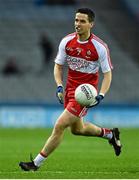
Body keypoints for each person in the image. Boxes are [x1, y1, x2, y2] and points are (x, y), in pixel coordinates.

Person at [19, 8, 122, 171]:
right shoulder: (67, 41)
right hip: (69, 90)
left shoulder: (99, 47)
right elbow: (58, 66)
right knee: (78, 130)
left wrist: (100, 95)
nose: (77, 24)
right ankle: (110, 134)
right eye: (76, 20)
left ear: (91, 24)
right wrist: (59, 86)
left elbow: (107, 75)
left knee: (60, 125)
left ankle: (35, 163)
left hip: (84, 95)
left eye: (82, 21)